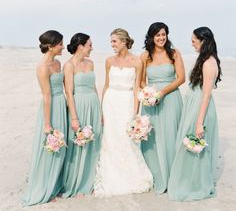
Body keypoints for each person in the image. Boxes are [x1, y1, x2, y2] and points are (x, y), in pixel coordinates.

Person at [94, 28, 153, 197]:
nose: (111, 44)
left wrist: (136, 113)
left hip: (127, 102)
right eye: (111, 41)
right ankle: (111, 173)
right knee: (110, 138)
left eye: (114, 41)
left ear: (124, 42)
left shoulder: (137, 62)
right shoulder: (108, 61)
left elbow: (136, 88)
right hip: (110, 101)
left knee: (127, 139)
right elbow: (106, 84)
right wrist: (101, 109)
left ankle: (131, 175)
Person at [168, 26, 222, 201]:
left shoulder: (209, 63)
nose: (192, 44)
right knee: (188, 145)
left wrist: (199, 121)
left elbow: (206, 94)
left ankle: (196, 184)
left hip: (200, 108)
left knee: (194, 145)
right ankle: (189, 180)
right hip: (193, 105)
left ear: (203, 41)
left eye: (194, 41)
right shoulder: (204, 58)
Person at [22, 30, 67, 206]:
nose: (63, 46)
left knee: (61, 147)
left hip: (61, 104)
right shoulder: (42, 67)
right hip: (50, 108)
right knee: (50, 146)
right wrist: (47, 124)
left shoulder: (58, 63)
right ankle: (45, 185)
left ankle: (56, 183)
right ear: (51, 46)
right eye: (60, 44)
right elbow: (46, 96)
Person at [140, 22, 185, 194]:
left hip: (171, 98)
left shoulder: (174, 53)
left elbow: (181, 78)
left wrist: (162, 93)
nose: (161, 38)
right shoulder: (145, 56)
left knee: (171, 135)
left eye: (163, 34)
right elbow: (141, 80)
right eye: (157, 35)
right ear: (151, 37)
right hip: (151, 101)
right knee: (153, 137)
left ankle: (173, 175)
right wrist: (150, 93)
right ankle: (156, 174)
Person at [62, 33, 102, 197]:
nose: (92, 48)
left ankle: (90, 180)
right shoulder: (69, 66)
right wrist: (74, 117)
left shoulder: (90, 63)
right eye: (90, 45)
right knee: (79, 143)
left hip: (93, 104)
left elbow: (94, 87)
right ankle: (77, 182)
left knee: (94, 142)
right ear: (81, 47)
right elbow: (69, 93)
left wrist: (99, 109)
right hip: (78, 106)